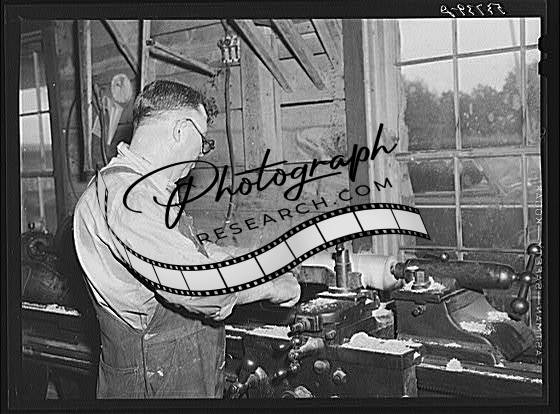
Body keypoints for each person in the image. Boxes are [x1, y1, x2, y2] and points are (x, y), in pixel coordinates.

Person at [73, 80, 300, 399]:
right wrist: (271, 286)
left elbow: (195, 254)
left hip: (170, 374)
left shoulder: (144, 191)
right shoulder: (128, 197)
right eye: (203, 141)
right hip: (151, 384)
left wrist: (262, 259)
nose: (201, 153)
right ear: (181, 130)